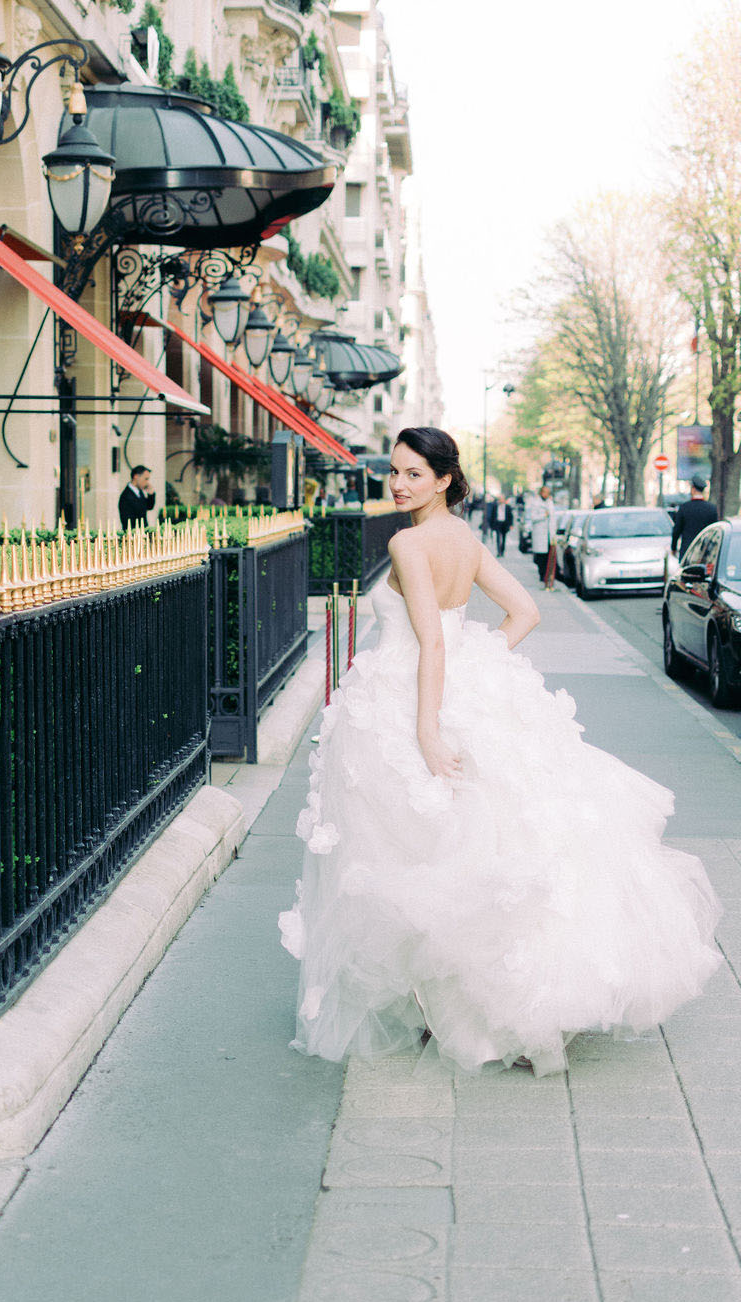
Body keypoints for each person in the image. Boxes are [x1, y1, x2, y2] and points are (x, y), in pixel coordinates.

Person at [277, 426, 720, 1076]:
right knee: (475, 841)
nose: (398, 484)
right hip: (459, 688)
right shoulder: (464, 538)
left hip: (411, 696)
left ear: (445, 479)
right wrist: (476, 670)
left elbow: (429, 641)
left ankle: (445, 1001)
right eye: (394, 472)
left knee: (415, 844)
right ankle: (468, 997)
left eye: (413, 475)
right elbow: (523, 614)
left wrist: (428, 728)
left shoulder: (406, 541)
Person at [672, 475, 718, 559]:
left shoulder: (684, 508)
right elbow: (715, 532)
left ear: (693, 489)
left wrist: (673, 548)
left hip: (687, 553)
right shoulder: (712, 509)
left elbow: (676, 531)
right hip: (705, 552)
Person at [527, 484, 554, 583]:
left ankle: (547, 576)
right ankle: (542, 575)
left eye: (548, 492)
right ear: (541, 493)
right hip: (539, 534)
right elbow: (533, 517)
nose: (546, 494)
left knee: (548, 556)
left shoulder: (550, 502)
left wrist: (553, 533)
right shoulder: (535, 503)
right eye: (544, 492)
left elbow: (553, 518)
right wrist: (543, 515)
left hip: (548, 534)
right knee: (540, 557)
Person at [118, 465, 155, 531]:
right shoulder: (126, 496)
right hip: (133, 536)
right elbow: (127, 521)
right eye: (145, 479)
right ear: (136, 476)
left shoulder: (140, 492)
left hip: (143, 533)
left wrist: (151, 495)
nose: (147, 483)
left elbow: (149, 506)